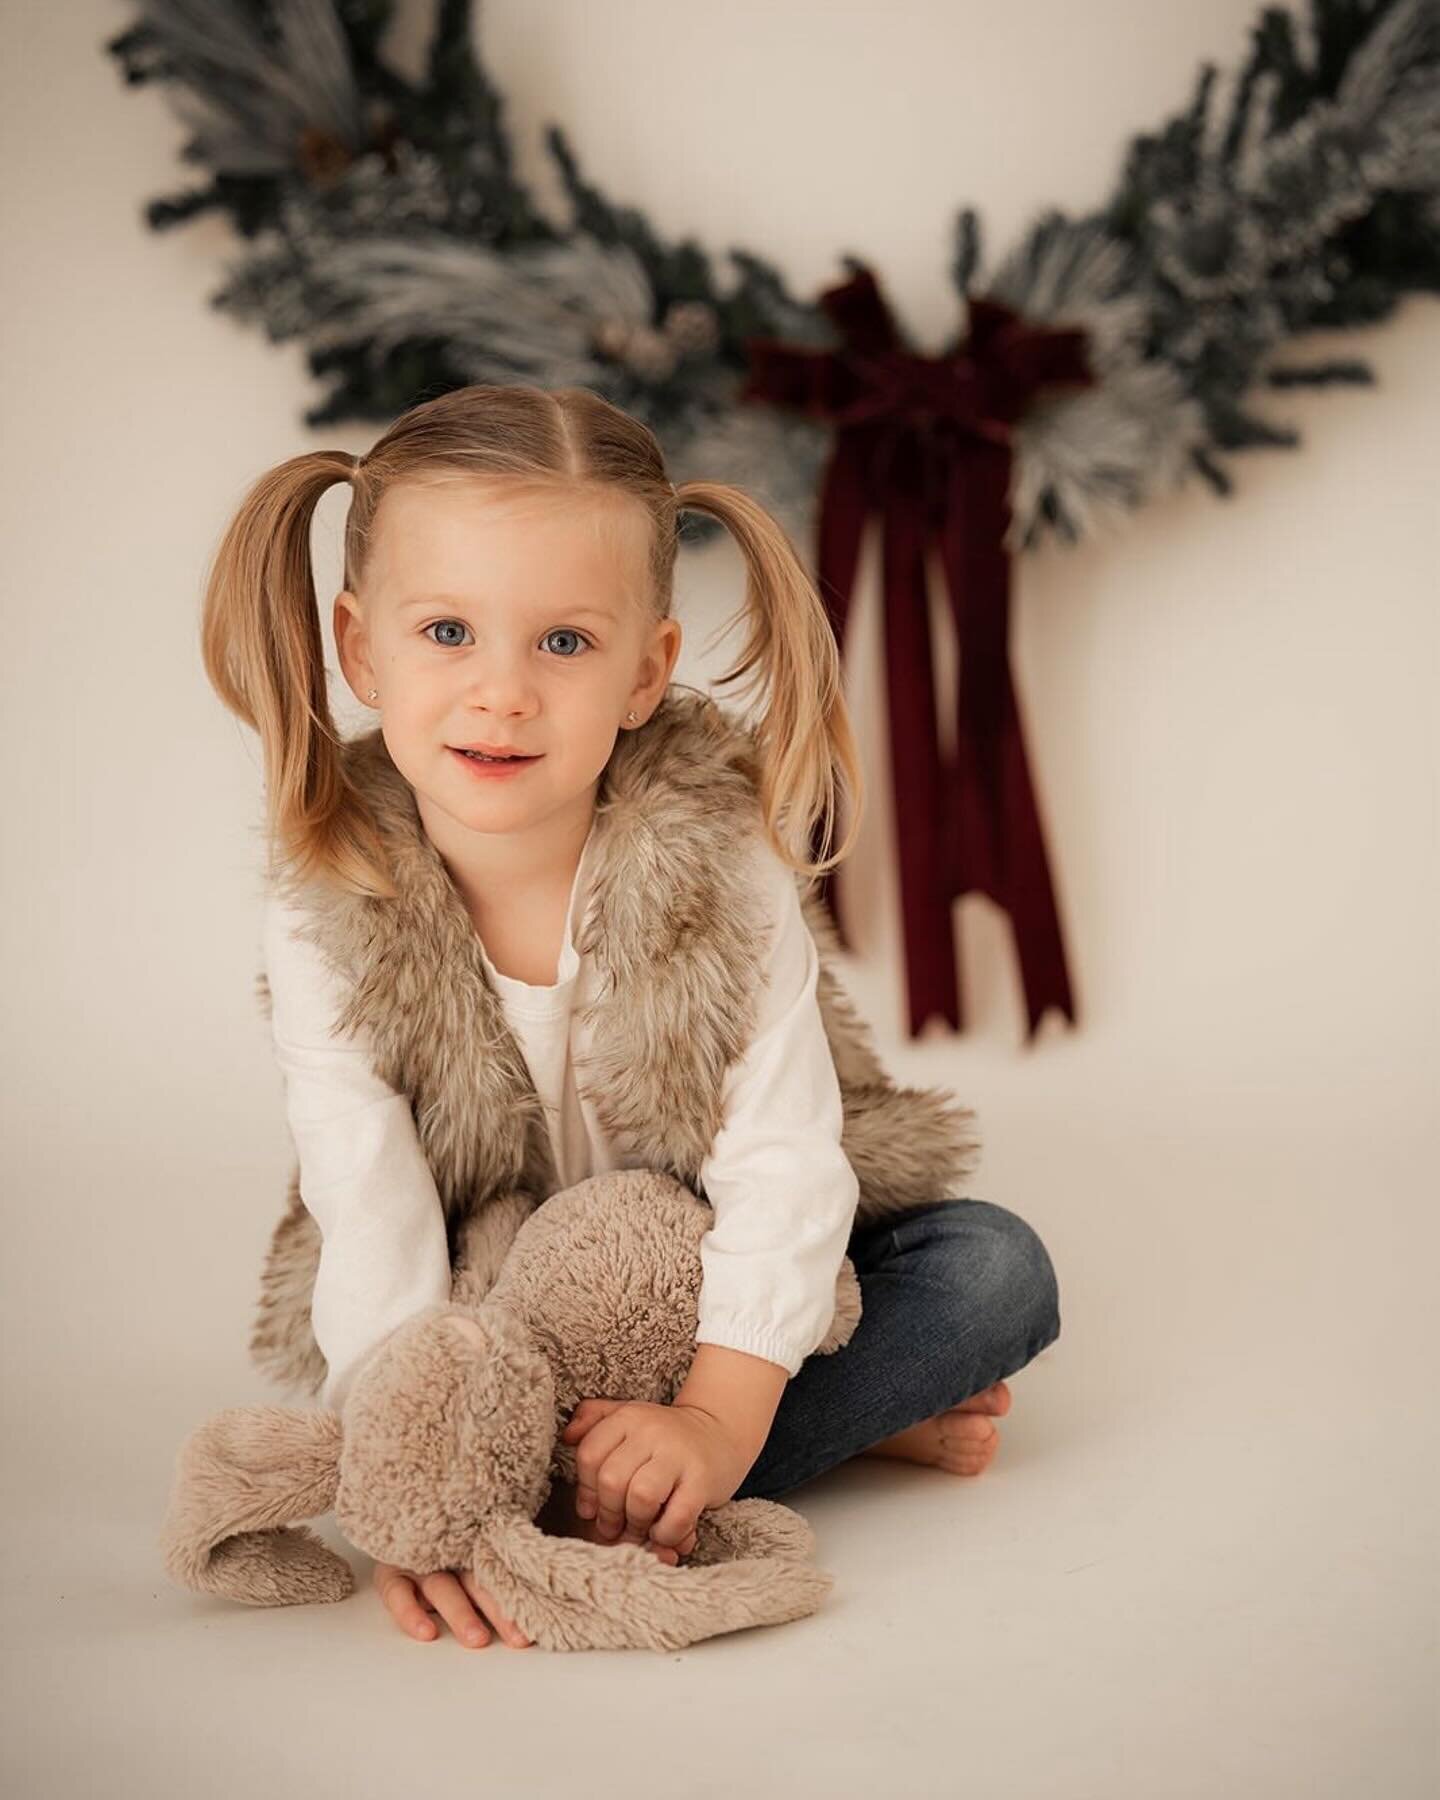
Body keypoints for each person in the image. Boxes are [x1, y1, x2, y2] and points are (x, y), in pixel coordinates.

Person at [200, 382, 1061, 1651]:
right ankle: (803, 1433)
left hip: (706, 1262)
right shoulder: (337, 896)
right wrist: (415, 1486)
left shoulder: (723, 858)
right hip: (487, 1295)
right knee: (445, 1325)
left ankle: (677, 1456)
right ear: (359, 647)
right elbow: (370, 1204)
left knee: (994, 1268)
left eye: (562, 644)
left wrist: (718, 1410)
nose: (501, 695)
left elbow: (781, 1161)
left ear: (647, 670)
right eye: (447, 633)